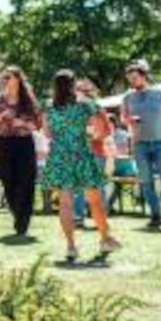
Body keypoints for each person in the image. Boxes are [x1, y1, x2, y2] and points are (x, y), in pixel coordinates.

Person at [40, 70, 121, 264]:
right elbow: (101, 130)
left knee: (65, 203)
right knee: (94, 200)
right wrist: (88, 136)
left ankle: (70, 247)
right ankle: (105, 239)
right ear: (73, 84)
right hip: (82, 153)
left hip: (59, 155)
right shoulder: (85, 105)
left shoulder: (49, 106)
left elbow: (47, 133)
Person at [122, 61, 161, 230]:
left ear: (143, 76)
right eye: (129, 79)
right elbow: (124, 118)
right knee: (145, 181)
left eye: (134, 78)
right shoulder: (127, 97)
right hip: (140, 144)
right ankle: (155, 215)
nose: (131, 82)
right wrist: (129, 121)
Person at [0, 66, 42, 237]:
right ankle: (17, 213)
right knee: (7, 179)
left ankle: (23, 222)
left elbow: (38, 124)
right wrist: (2, 114)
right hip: (6, 143)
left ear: (18, 79)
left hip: (24, 143)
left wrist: (23, 123)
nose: (5, 80)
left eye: (8, 77)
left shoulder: (29, 100)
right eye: (3, 77)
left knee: (26, 182)